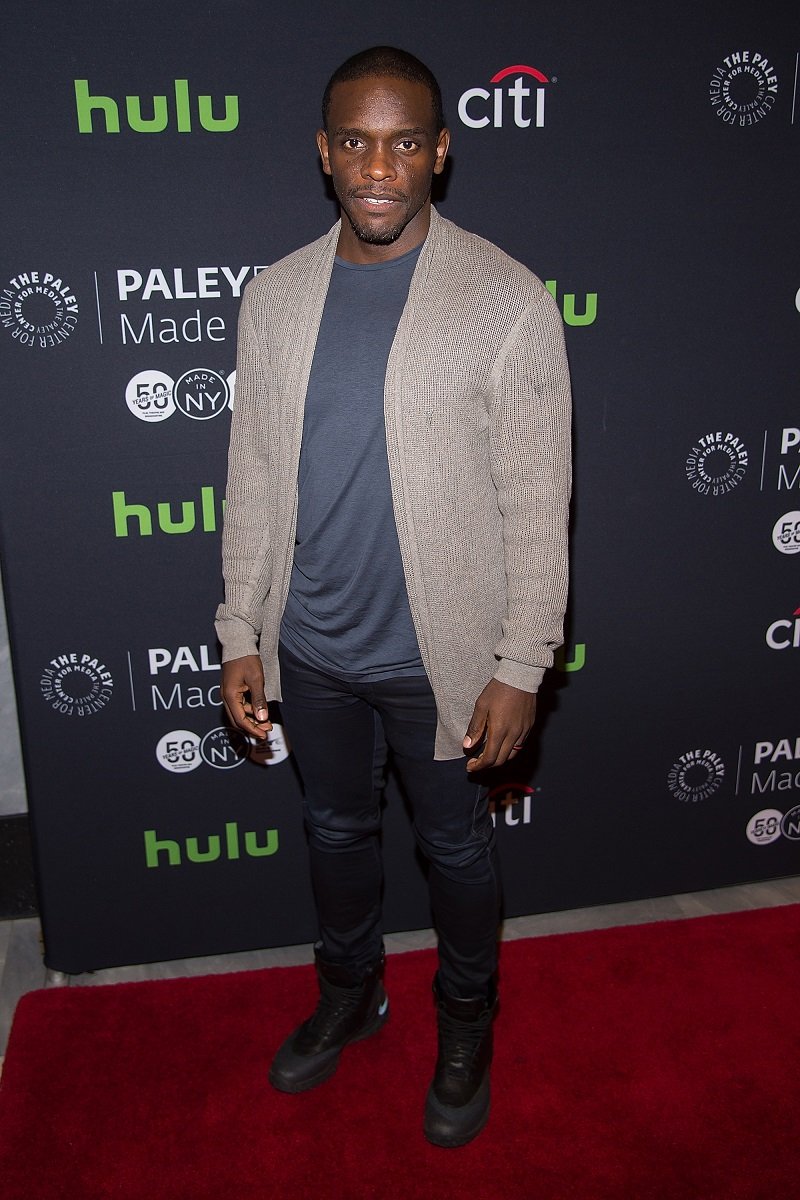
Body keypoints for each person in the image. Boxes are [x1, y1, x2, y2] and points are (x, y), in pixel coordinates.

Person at [216, 45, 571, 1148]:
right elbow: (254, 474)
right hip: (312, 650)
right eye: (356, 142)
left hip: (441, 658)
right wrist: (240, 627)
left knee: (456, 853)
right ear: (324, 152)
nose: (380, 166)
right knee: (331, 831)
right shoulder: (274, 296)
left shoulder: (504, 300)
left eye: (404, 142)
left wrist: (520, 662)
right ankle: (349, 992)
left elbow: (536, 498)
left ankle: (464, 1019)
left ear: (439, 153)